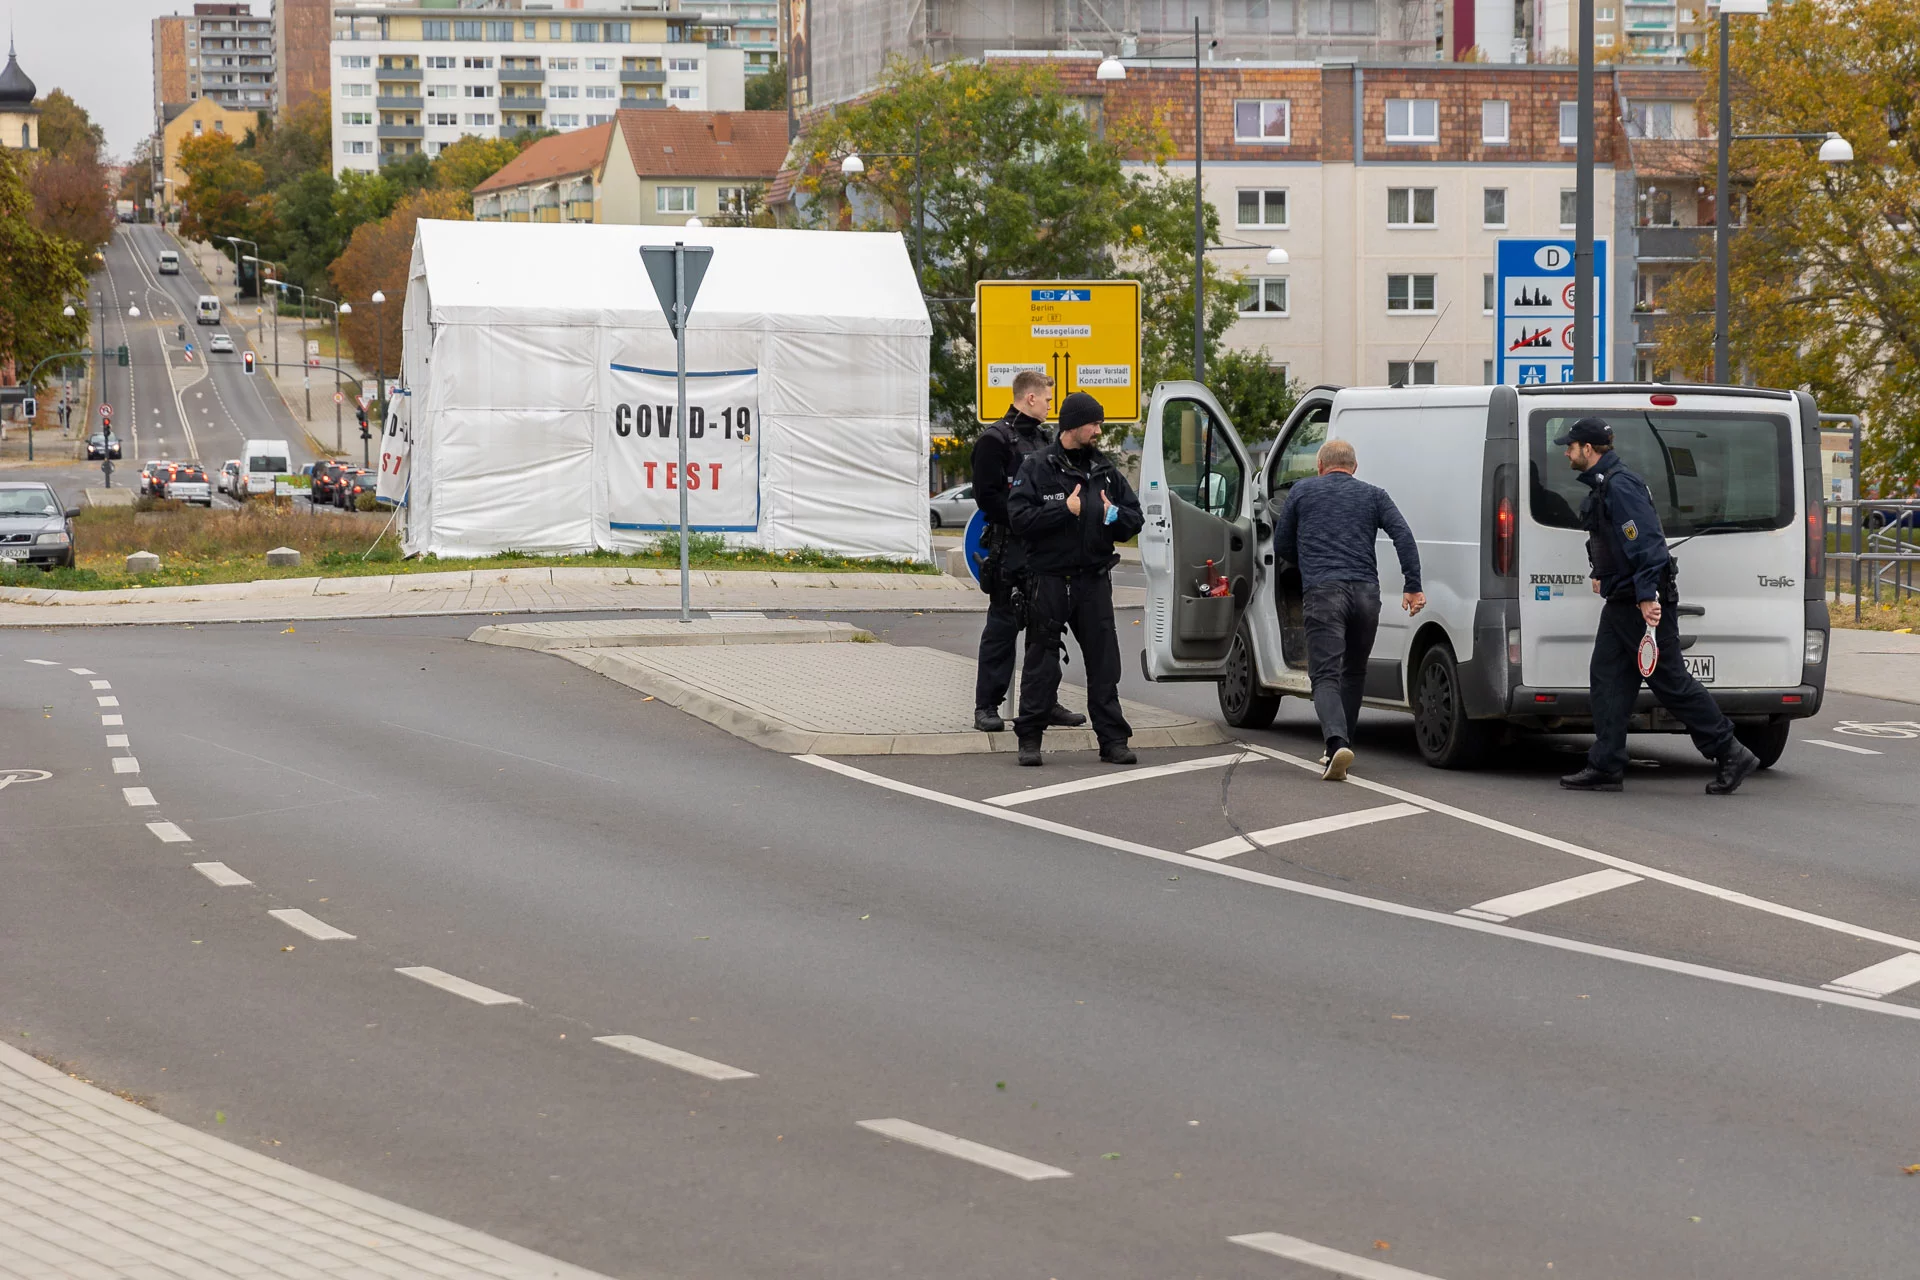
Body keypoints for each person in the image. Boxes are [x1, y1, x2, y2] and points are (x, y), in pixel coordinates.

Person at [1555, 416, 1759, 795]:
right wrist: (1601, 571)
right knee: (1607, 680)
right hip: (1621, 600)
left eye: (1571, 446)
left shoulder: (1621, 486)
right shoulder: (1605, 487)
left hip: (1638, 601)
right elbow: (1611, 540)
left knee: (1671, 683)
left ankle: (1729, 750)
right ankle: (1606, 764)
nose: (1566, 452)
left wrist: (1647, 596)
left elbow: (1648, 544)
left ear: (1589, 449)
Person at [1273, 439, 1424, 781]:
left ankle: (1336, 742)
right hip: (1366, 595)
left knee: (1325, 674)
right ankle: (1342, 746)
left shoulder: (1301, 492)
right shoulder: (1374, 495)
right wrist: (1412, 585)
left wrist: (1309, 562)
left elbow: (1282, 543)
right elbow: (1403, 535)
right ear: (1354, 468)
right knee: (1354, 671)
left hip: (1324, 593)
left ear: (1321, 466)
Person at [1006, 391, 1143, 766]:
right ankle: (1030, 738)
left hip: (1093, 581)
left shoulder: (1105, 471)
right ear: (1072, 425)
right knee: (1041, 663)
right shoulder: (1037, 466)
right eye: (1093, 423)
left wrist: (1115, 516)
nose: (1099, 430)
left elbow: (1135, 520)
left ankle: (1113, 740)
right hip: (1048, 580)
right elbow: (1019, 520)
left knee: (1104, 664)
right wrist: (1062, 510)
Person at [970, 369, 1084, 734]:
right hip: (1010, 551)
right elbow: (987, 497)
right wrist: (1027, 517)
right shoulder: (994, 440)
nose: (1051, 405)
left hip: (1044, 552)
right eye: (1048, 399)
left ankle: (1043, 703)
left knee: (1047, 633)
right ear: (1030, 398)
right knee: (1002, 632)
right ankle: (987, 707)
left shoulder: (1045, 440)